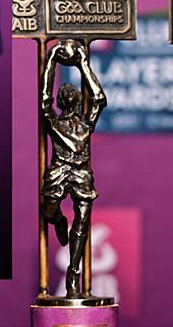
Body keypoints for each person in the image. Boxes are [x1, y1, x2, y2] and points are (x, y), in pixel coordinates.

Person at [39, 39, 107, 298]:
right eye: (66, 96)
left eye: (74, 96)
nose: (71, 98)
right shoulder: (53, 121)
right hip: (58, 171)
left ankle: (73, 273)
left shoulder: (86, 123)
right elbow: (44, 99)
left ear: (78, 100)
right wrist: (52, 59)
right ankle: (57, 220)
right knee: (49, 209)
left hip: (81, 174)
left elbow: (99, 98)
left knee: (83, 222)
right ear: (62, 101)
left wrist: (83, 65)